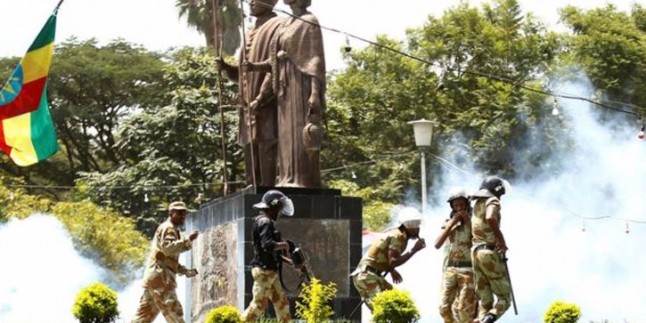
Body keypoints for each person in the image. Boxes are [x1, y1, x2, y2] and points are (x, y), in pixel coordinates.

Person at [245, 0, 326, 188]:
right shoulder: (287, 23)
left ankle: (303, 180)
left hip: (301, 85)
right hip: (284, 89)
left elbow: (315, 61)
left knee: (300, 134)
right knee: (286, 137)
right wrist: (253, 67)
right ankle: (286, 178)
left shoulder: (309, 20)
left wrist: (314, 93)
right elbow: (275, 62)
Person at [216, 0, 283, 187]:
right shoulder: (249, 31)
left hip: (267, 102)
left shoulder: (278, 26)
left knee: (266, 142)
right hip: (246, 104)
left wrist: (261, 97)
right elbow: (241, 74)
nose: (251, 2)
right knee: (249, 144)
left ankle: (267, 186)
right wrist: (226, 68)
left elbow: (277, 68)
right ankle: (252, 185)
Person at [131, 201, 199, 323]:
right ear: (171, 213)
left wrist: (184, 270)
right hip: (161, 281)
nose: (182, 216)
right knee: (175, 314)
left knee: (143, 317)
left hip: (155, 280)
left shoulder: (172, 229)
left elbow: (167, 259)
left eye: (184, 214)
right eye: (179, 213)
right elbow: (168, 249)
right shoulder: (168, 228)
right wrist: (187, 240)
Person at [351, 207, 427, 311]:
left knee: (396, 304)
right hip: (367, 276)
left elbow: (382, 256)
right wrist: (414, 249)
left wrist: (391, 269)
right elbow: (394, 261)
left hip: (372, 274)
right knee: (383, 310)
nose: (417, 228)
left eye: (418, 225)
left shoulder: (396, 233)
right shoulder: (398, 236)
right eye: (415, 225)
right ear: (407, 226)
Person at [242, 189, 295, 322]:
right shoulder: (265, 222)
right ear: (273, 207)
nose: (280, 212)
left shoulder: (262, 221)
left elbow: (267, 251)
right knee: (258, 305)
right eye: (279, 209)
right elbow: (267, 245)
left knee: (282, 305)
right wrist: (284, 245)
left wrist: (287, 260)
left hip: (270, 272)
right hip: (264, 272)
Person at [470, 176, 512, 323]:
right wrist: (501, 240)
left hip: (475, 253)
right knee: (505, 299)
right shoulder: (492, 200)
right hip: (488, 252)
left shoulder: (476, 204)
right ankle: (488, 320)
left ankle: (482, 320)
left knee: (485, 301)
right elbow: (490, 217)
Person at [434, 187, 477, 323]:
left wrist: (468, 221)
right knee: (443, 307)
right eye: (456, 205)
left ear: (467, 204)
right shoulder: (447, 223)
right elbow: (437, 244)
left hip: (468, 271)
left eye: (462, 205)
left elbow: (477, 239)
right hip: (450, 270)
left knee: (464, 310)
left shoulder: (474, 221)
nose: (459, 208)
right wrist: (452, 223)